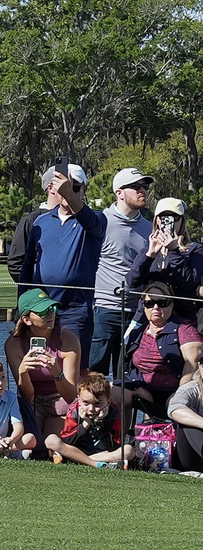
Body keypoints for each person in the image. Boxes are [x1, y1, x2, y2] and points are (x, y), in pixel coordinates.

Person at [25, 162, 106, 360]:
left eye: (75, 187)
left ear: (84, 190)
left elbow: (94, 226)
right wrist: (24, 306)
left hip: (75, 310)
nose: (68, 192)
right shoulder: (40, 222)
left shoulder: (95, 219)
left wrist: (68, 193)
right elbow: (27, 265)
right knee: (40, 364)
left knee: (77, 368)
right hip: (40, 309)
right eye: (64, 187)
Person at [89, 167, 154, 373]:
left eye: (144, 186)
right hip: (104, 310)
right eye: (135, 187)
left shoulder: (150, 228)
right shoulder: (101, 222)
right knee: (95, 374)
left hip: (137, 313)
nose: (142, 191)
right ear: (119, 193)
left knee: (127, 377)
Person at [6, 288, 82, 443]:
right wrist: (23, 373)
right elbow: (28, 395)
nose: (50, 314)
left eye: (52, 309)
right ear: (26, 319)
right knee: (32, 444)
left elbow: (70, 396)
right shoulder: (14, 344)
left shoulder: (67, 338)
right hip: (33, 403)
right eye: (42, 312)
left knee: (50, 444)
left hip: (62, 403)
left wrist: (57, 373)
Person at [118, 282, 202, 420]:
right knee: (112, 393)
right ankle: (120, 437)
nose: (155, 307)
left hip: (174, 389)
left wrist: (181, 390)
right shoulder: (137, 331)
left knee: (177, 404)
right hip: (142, 387)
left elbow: (193, 362)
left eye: (162, 303)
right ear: (144, 307)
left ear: (171, 305)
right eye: (149, 304)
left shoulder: (185, 329)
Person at [133, 196, 203, 329]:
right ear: (156, 221)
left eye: (174, 218)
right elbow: (132, 282)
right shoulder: (149, 247)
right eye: (163, 217)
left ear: (182, 221)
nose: (169, 222)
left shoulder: (195, 249)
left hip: (182, 320)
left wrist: (174, 251)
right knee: (126, 346)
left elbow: (187, 282)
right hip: (148, 315)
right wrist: (149, 256)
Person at [46, 369, 128, 467]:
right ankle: (95, 463)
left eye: (97, 403)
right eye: (85, 403)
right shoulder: (74, 410)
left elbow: (115, 445)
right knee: (51, 440)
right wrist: (84, 425)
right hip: (77, 449)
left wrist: (100, 424)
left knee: (128, 450)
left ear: (108, 401)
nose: (91, 409)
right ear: (79, 399)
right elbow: (66, 441)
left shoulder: (114, 412)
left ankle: (76, 459)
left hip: (103, 452)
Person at [166, 363, 203, 473]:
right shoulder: (191, 388)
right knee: (187, 419)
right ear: (200, 366)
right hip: (191, 456)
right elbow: (175, 409)